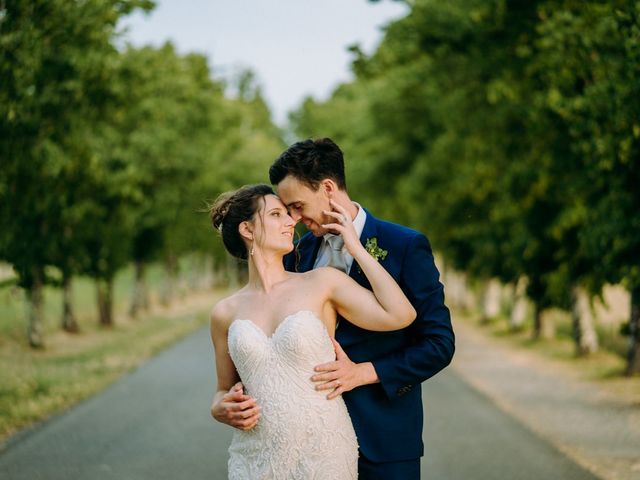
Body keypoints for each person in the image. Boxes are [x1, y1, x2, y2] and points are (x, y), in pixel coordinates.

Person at [268, 138, 456, 479]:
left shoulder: (404, 245)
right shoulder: (299, 253)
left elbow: (439, 344)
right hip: (311, 440)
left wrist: (364, 372)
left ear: (327, 187)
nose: (294, 219)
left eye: (297, 205)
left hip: (385, 438)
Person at [208, 183, 416, 479]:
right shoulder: (224, 312)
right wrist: (220, 409)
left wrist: (355, 247)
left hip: (323, 451)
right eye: (277, 214)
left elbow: (401, 314)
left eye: (289, 214)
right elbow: (222, 390)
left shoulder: (322, 283)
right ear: (247, 229)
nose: (291, 221)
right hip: (254, 456)